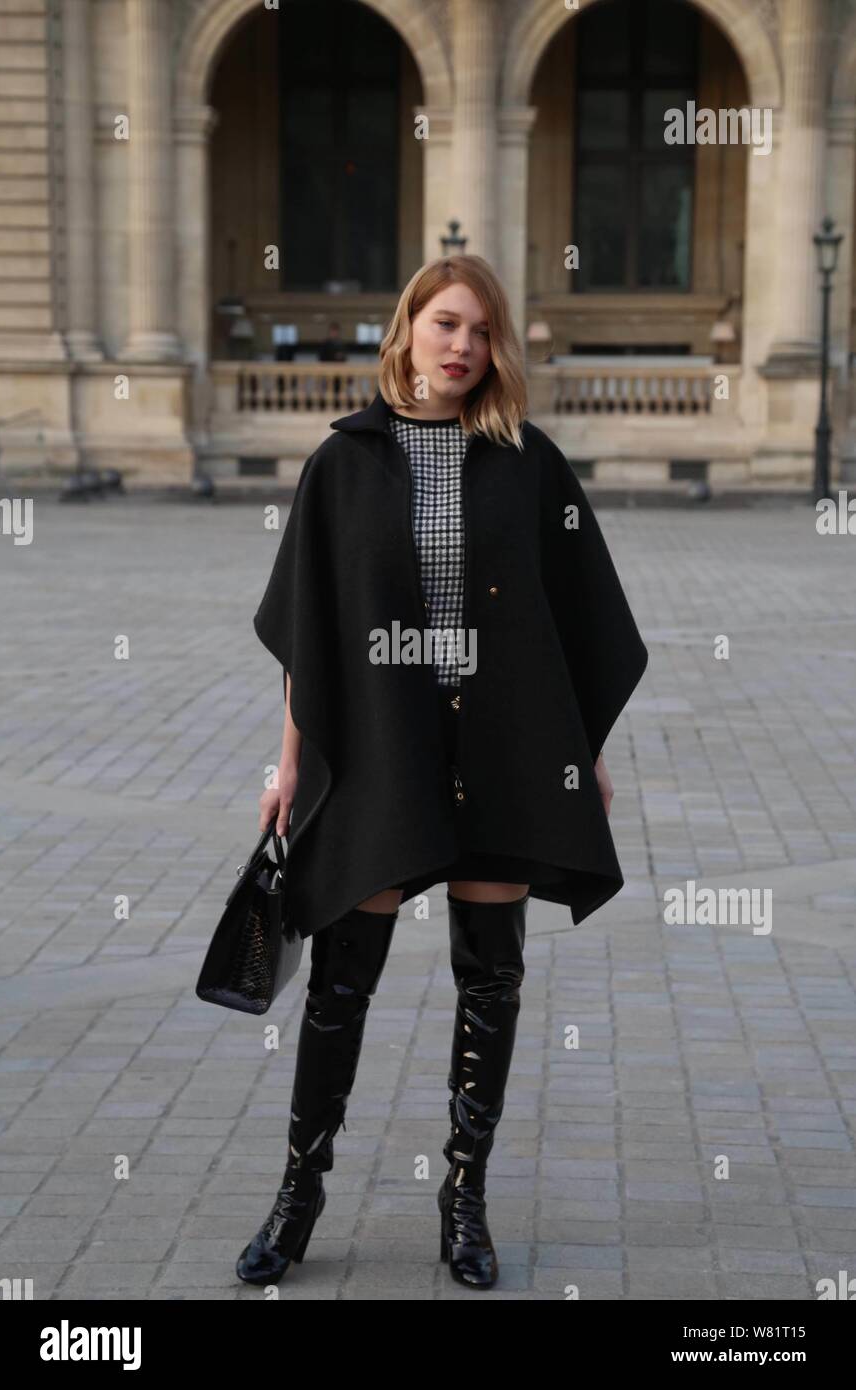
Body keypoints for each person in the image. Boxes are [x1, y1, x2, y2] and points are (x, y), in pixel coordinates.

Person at [237, 254, 648, 1291]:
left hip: (500, 744)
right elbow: (310, 636)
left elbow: (571, 621)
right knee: (340, 982)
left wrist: (578, 756)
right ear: (408, 327)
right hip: (382, 742)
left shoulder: (523, 460)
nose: (462, 346)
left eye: (480, 331)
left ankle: (461, 1199)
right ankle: (298, 1192)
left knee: (492, 977)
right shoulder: (343, 462)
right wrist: (289, 766)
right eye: (446, 323)